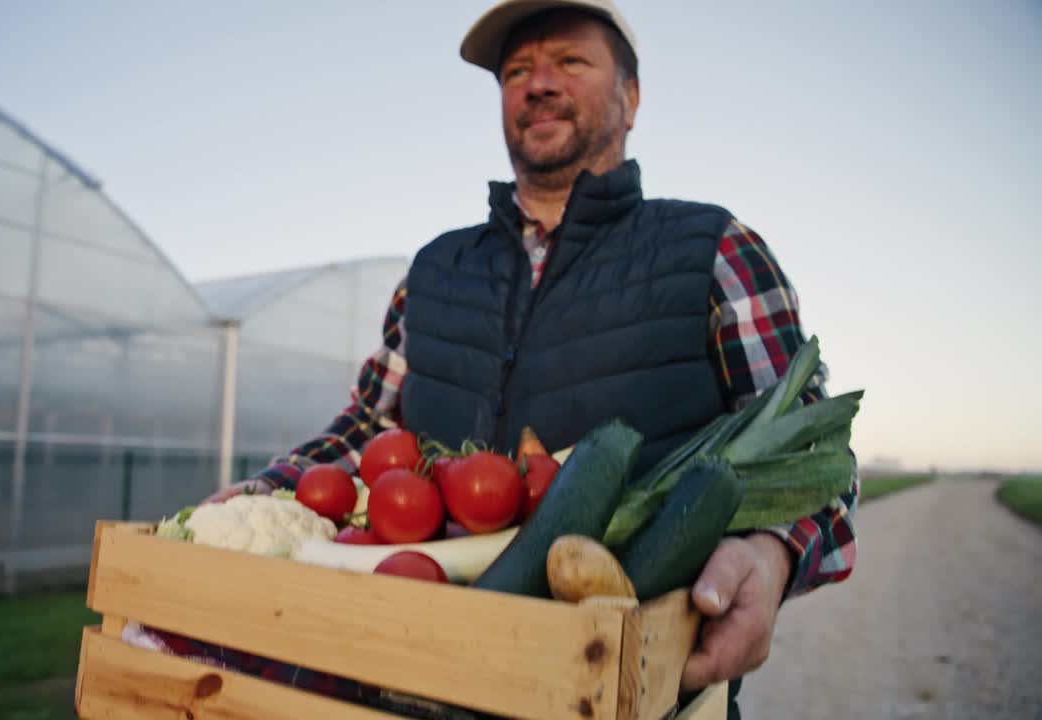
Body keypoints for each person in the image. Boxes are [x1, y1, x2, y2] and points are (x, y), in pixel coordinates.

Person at [204, 1, 857, 716]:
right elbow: (366, 427)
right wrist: (260, 494)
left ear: (631, 97)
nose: (538, 84)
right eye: (517, 71)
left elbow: (809, 448)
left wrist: (774, 552)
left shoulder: (711, 247)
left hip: (623, 693)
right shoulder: (432, 270)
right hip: (412, 678)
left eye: (570, 62)